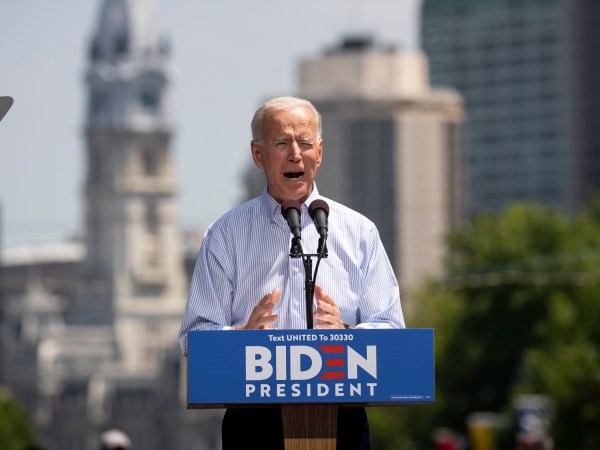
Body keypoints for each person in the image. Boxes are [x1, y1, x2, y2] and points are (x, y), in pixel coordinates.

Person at [178, 96, 405, 450]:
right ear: (258, 155)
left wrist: (348, 333)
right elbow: (193, 337)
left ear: (320, 152)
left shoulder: (359, 232)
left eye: (306, 142)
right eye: (282, 143)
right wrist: (240, 338)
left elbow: (392, 329)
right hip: (254, 420)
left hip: (341, 418)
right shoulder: (225, 234)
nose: (295, 154)